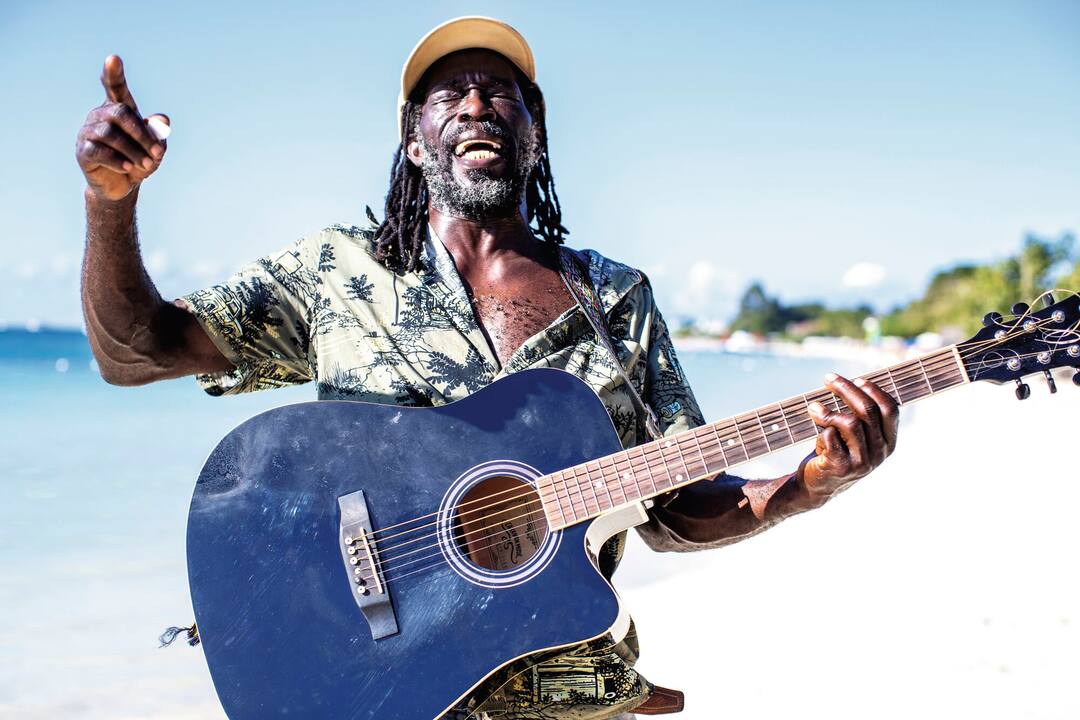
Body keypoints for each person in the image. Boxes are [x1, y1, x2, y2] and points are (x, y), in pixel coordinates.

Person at [76, 16, 899, 720]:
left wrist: (807, 485)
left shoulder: (612, 298)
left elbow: (677, 508)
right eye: (448, 93)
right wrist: (110, 203)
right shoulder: (337, 274)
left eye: (500, 91)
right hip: (387, 696)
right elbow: (133, 351)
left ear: (534, 131)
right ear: (413, 136)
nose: (476, 105)